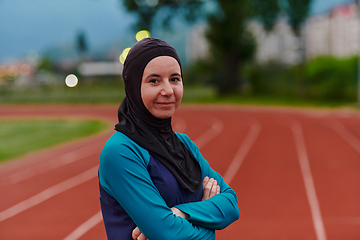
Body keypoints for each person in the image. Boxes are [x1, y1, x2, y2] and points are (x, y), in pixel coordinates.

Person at [98, 38, 239, 240]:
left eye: (174, 79)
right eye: (154, 80)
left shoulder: (184, 144)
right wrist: (209, 224)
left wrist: (180, 213)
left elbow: (231, 204)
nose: (168, 91)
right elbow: (167, 234)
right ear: (133, 86)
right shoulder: (121, 151)